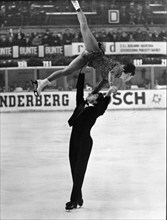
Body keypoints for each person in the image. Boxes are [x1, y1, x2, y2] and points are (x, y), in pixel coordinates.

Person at [31, 0, 135, 97]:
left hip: (88, 59)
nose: (129, 79)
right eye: (131, 77)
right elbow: (110, 73)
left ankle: (43, 82)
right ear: (129, 74)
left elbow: (102, 84)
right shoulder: (119, 68)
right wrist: (111, 86)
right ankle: (76, 5)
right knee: (84, 27)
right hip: (95, 52)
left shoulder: (115, 75)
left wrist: (92, 94)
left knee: (66, 71)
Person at [66, 71, 117, 211]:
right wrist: (81, 73)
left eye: (94, 95)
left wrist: (108, 94)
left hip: (84, 143)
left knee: (79, 172)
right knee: (74, 171)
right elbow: (79, 91)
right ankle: (79, 196)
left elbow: (102, 107)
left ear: (95, 100)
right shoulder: (81, 104)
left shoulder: (95, 111)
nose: (91, 93)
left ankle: (73, 201)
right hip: (73, 141)